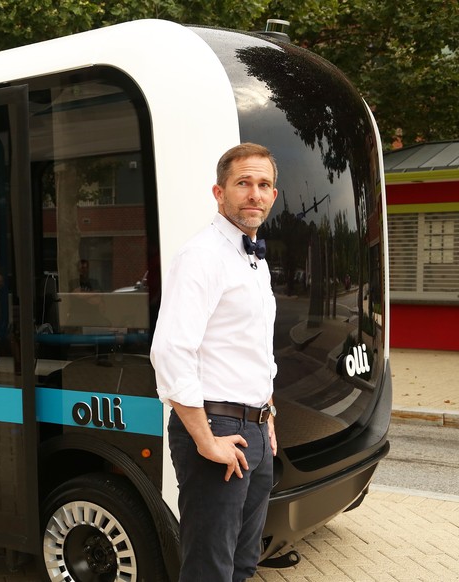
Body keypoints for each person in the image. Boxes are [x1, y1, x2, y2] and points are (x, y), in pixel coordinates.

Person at [150, 143, 279, 581]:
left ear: (273, 196)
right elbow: (170, 351)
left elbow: (255, 346)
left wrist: (269, 414)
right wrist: (205, 440)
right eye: (243, 183)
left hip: (255, 431)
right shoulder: (202, 256)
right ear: (219, 192)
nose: (254, 194)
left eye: (263, 185)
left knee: (243, 564)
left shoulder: (253, 259)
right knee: (210, 569)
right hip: (217, 429)